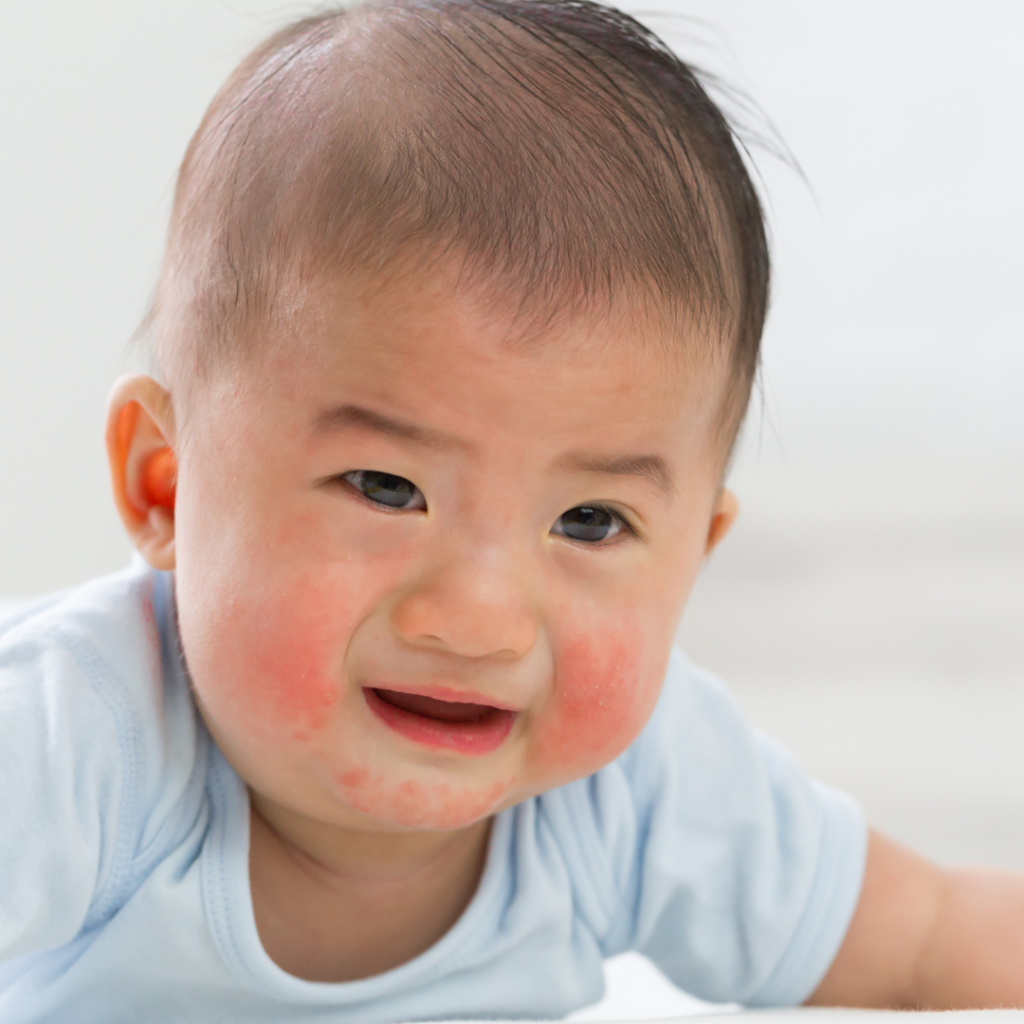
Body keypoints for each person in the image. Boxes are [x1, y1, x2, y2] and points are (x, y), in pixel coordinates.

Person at [1, 1, 1022, 1019]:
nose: (479, 619)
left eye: (589, 521)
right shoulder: (78, 741)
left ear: (693, 555)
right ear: (165, 484)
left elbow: (928, 940)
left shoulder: (640, 792)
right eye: (388, 489)